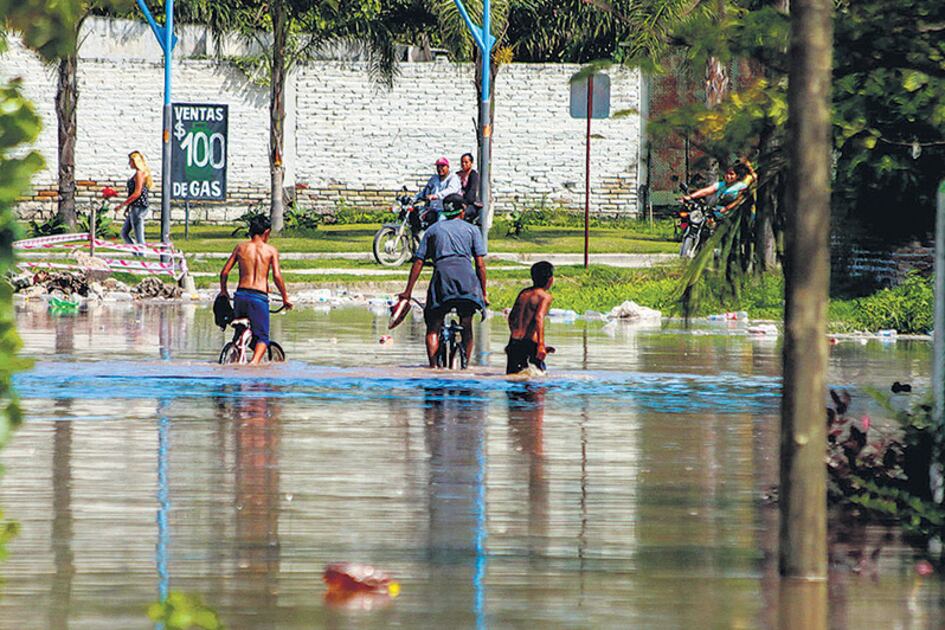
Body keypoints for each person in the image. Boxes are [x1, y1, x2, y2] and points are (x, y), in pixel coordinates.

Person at [398, 194, 487, 368]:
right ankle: (466, 366)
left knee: (433, 325)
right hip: (467, 281)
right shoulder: (472, 230)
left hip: (442, 280)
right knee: (466, 323)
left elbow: (419, 262)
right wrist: (483, 293)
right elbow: (480, 265)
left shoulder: (433, 230)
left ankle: (433, 368)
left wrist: (408, 291)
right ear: (462, 210)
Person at [219, 215, 293, 365]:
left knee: (240, 329)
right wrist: (285, 298)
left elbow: (224, 272)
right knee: (263, 338)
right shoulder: (271, 250)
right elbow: (277, 276)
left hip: (240, 296)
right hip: (258, 298)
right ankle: (253, 364)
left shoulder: (241, 247)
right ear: (266, 232)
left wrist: (224, 291)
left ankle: (236, 349)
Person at [506, 261, 555, 375]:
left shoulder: (523, 293)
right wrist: (541, 344)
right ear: (550, 279)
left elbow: (511, 317)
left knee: (513, 378)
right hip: (530, 343)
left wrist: (514, 333)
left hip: (514, 342)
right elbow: (539, 317)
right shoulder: (545, 297)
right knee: (540, 380)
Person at [680, 159, 757, 219]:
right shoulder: (721, 184)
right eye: (727, 173)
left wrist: (727, 208)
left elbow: (739, 200)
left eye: (731, 174)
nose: (728, 176)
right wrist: (690, 197)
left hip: (733, 216)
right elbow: (706, 191)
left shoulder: (741, 186)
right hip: (717, 213)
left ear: (737, 176)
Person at [116, 151, 153, 248]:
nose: (129, 164)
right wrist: (128, 207)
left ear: (135, 161)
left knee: (139, 235)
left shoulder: (139, 173)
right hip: (135, 206)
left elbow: (137, 193)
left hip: (138, 207)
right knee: (124, 233)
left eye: (130, 161)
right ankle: (136, 252)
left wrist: (122, 205)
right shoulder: (141, 173)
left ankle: (142, 254)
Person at [457, 152, 482, 224]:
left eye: (466, 162)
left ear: (471, 163)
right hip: (457, 203)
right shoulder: (457, 175)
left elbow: (472, 192)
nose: (463, 164)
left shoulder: (473, 175)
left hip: (470, 204)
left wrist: (464, 202)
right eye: (462, 162)